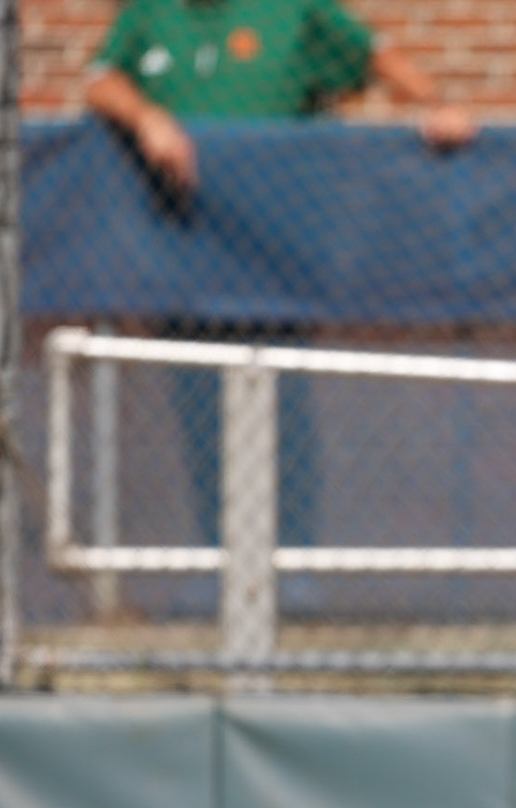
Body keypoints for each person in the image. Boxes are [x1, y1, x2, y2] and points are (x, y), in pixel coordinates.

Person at [83, 0, 475, 555]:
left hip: (278, 259)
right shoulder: (149, 13)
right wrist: (149, 118)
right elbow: (99, 81)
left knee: (283, 411)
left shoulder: (291, 10)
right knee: (200, 414)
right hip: (184, 257)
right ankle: (215, 560)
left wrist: (435, 106)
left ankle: (292, 559)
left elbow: (373, 53)